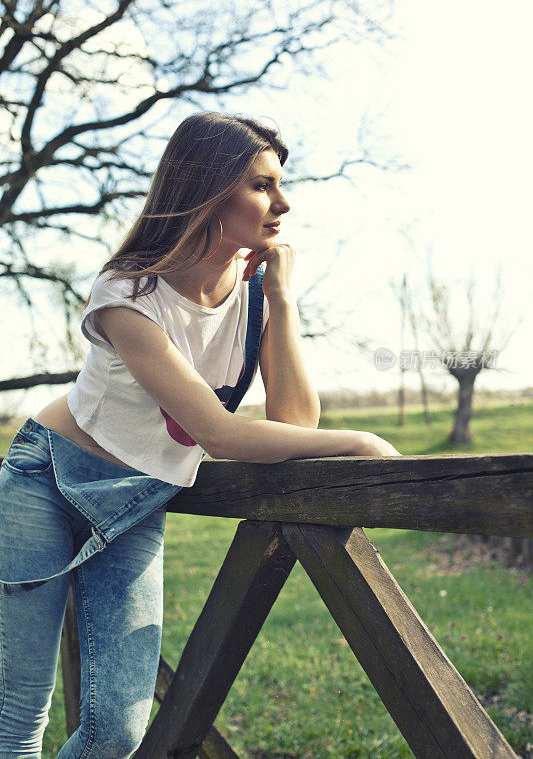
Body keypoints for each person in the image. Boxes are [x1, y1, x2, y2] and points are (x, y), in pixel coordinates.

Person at [0, 111, 400, 757]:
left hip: (134, 506)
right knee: (19, 717)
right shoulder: (127, 293)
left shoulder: (254, 299)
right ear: (209, 189)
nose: (283, 202)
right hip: (46, 483)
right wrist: (355, 443)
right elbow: (216, 431)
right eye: (263, 185)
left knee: (116, 731)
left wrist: (282, 299)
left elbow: (293, 422)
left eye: (280, 184)